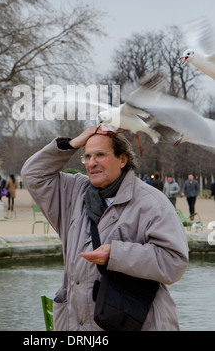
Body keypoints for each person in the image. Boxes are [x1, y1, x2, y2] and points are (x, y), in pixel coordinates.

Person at [21, 126, 188, 331]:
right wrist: (73, 143)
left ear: (122, 159)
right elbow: (33, 174)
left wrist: (116, 255)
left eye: (100, 155)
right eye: (87, 156)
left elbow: (174, 262)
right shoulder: (73, 193)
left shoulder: (153, 203)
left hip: (136, 323)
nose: (92, 163)